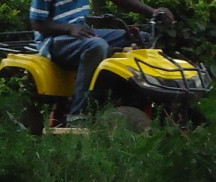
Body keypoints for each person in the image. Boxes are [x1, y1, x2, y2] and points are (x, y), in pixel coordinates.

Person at [28, 0, 174, 125]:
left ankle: (133, 102)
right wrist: (69, 28)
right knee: (97, 46)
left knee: (142, 38)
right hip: (53, 40)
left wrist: (153, 12)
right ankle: (78, 112)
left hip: (81, 31)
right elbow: (38, 24)